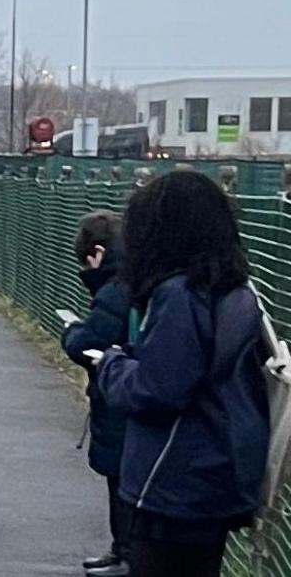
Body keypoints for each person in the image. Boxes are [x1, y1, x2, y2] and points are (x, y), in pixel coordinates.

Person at [98, 171, 270, 577]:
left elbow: (158, 392)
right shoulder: (236, 292)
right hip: (217, 473)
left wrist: (112, 367)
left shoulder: (178, 296)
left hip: (172, 478)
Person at [60, 211, 135, 577]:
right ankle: (122, 550)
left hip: (117, 395)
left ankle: (125, 552)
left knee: (119, 475)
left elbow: (91, 339)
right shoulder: (134, 280)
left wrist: (71, 334)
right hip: (126, 392)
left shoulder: (113, 290)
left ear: (98, 253)